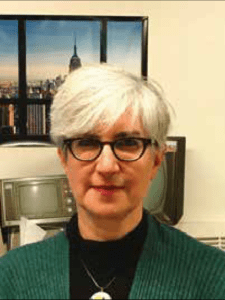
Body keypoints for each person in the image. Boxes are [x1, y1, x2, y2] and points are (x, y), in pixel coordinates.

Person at [0, 63, 225, 299]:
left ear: (156, 160)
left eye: (127, 142)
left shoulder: (213, 279)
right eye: (87, 142)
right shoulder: (10, 279)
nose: (107, 166)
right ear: (64, 159)